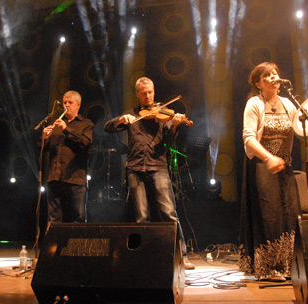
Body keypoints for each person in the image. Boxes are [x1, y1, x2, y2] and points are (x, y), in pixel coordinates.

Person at [104, 77, 195, 270]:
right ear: (137, 94)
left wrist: (176, 124)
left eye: (150, 92)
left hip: (158, 167)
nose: (148, 96)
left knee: (169, 213)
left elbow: (168, 143)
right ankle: (142, 257)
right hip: (135, 169)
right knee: (141, 217)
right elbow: (108, 127)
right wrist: (121, 119)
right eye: (144, 93)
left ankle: (181, 255)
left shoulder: (162, 115)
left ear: (154, 91)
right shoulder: (131, 114)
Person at [240, 62, 301, 281]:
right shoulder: (254, 104)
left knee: (290, 213)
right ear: (258, 83)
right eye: (268, 75)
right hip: (262, 166)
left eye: (276, 73)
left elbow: (301, 130)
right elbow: (248, 138)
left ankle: (289, 265)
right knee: (270, 215)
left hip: (285, 165)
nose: (274, 76)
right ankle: (269, 267)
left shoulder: (288, 104)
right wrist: (269, 157)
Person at [41, 90, 94, 223]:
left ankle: (76, 244)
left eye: (70, 103)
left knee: (78, 216)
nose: (66, 105)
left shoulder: (86, 124)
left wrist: (66, 129)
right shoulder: (55, 124)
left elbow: (85, 143)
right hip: (55, 177)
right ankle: (54, 244)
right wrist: (44, 139)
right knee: (54, 217)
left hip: (75, 179)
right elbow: (44, 149)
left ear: (78, 105)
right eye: (65, 102)